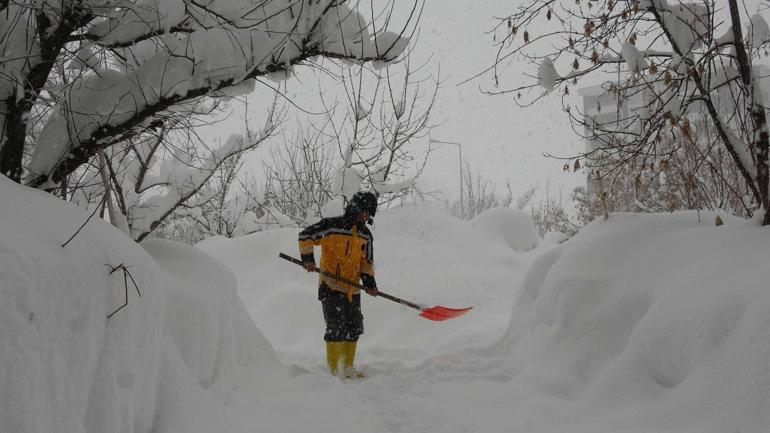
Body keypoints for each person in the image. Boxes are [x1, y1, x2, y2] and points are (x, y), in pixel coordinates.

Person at [298, 191, 379, 378]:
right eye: (364, 212)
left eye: (369, 214)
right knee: (336, 329)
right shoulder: (332, 226)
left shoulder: (366, 235)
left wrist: (369, 283)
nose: (366, 217)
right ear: (356, 208)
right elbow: (305, 236)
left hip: (353, 289)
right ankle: (334, 371)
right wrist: (308, 259)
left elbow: (366, 262)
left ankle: (348, 368)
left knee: (353, 329)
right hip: (330, 286)